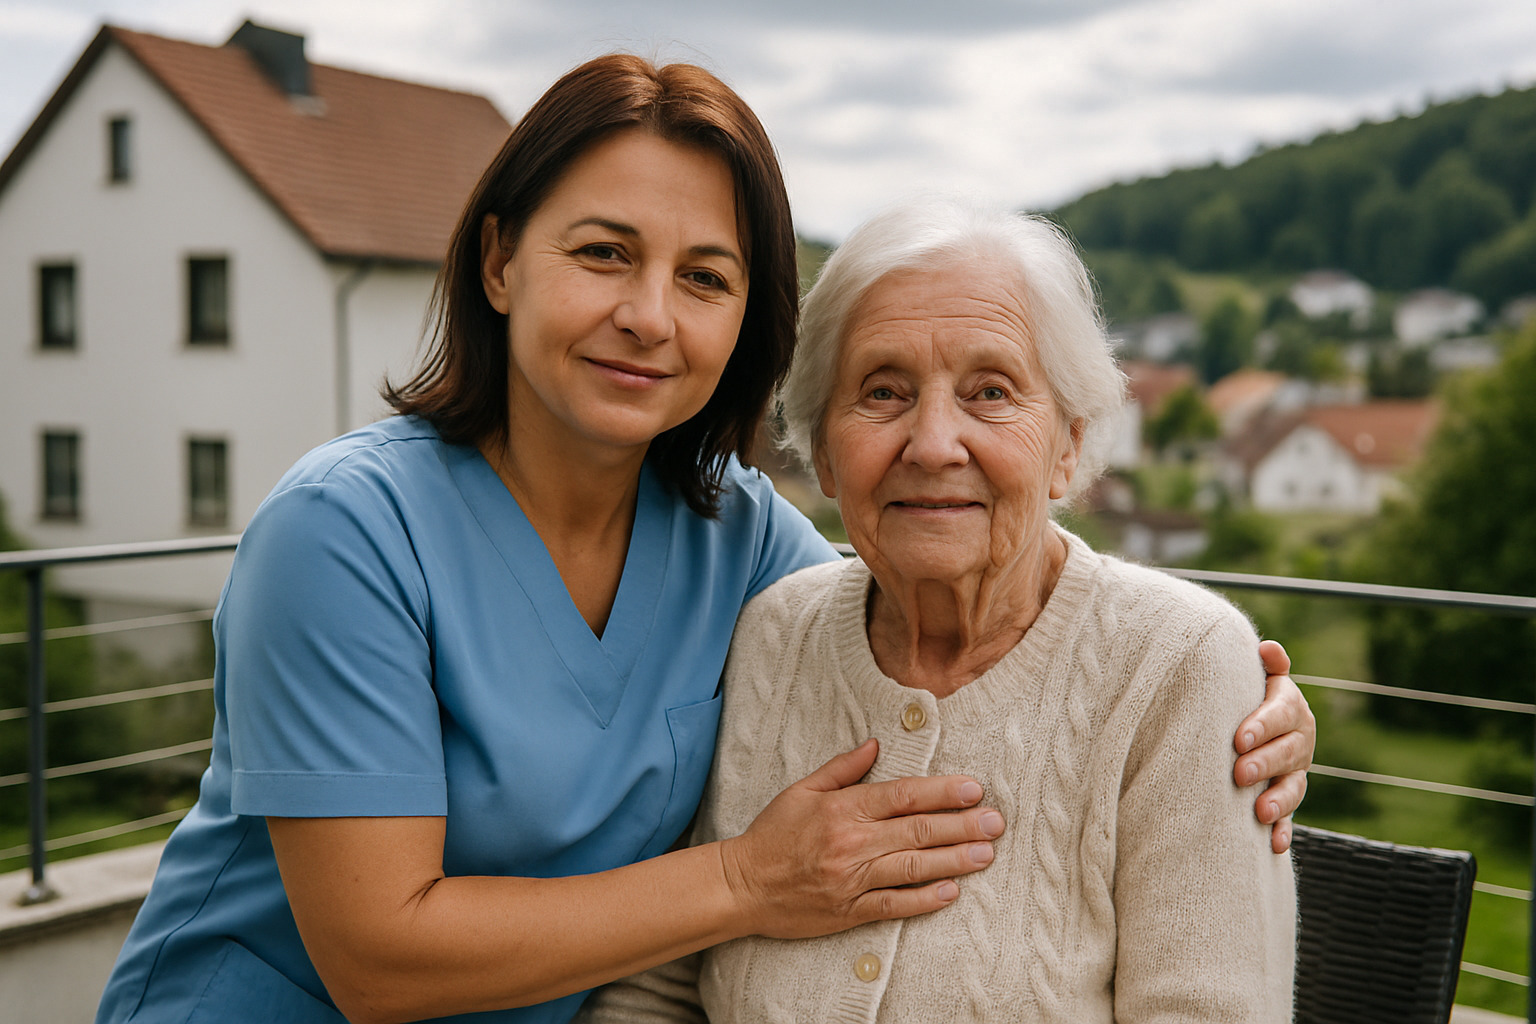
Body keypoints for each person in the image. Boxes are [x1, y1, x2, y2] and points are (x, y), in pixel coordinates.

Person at [94, 57, 1311, 1024]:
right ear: (502, 260)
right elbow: (378, 961)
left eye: (705, 276)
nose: (647, 316)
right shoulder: (342, 531)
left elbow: (911, 614)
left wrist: (1233, 708)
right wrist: (743, 882)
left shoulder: (742, 545)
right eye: (604, 252)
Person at [582, 197, 1297, 1023]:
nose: (931, 443)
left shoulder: (1178, 665)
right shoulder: (768, 636)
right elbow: (656, 984)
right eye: (883, 392)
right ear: (822, 451)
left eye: (990, 392)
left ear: (1067, 443)